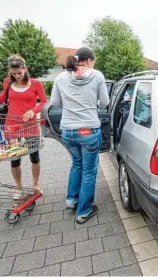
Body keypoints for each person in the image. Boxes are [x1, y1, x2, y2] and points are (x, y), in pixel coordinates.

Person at [0, 55, 47, 199]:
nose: (17, 76)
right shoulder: (8, 82)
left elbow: (43, 102)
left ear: (25, 69)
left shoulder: (36, 84)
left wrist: (33, 110)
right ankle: (18, 188)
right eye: (14, 73)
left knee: (34, 156)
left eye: (19, 73)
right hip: (12, 125)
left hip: (30, 124)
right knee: (14, 157)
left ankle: (35, 185)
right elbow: (1, 98)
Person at [50, 47, 109, 224]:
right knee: (89, 171)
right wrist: (92, 103)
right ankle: (84, 211)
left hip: (68, 131)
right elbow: (105, 102)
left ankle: (71, 200)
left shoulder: (61, 77)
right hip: (88, 130)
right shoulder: (97, 75)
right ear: (89, 60)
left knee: (77, 164)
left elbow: (54, 102)